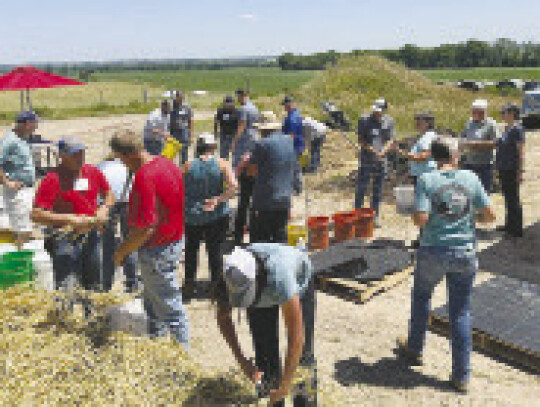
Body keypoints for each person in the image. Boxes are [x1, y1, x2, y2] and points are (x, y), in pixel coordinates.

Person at [396, 136, 496, 393]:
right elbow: (490, 217)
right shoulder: (471, 178)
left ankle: (415, 349)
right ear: (455, 156)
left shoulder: (427, 180)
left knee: (421, 298)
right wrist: (468, 218)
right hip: (464, 252)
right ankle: (461, 376)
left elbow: (420, 220)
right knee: (460, 312)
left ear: (433, 157)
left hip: (433, 251)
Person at [110, 130, 189, 350]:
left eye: (120, 159)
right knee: (155, 302)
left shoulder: (145, 176)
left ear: (129, 154)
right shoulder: (167, 164)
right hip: (173, 241)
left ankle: (182, 362)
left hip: (157, 249)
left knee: (170, 310)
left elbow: (145, 227)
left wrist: (121, 252)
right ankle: (158, 347)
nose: (122, 165)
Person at [216, 243, 317, 406]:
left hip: (296, 281)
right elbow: (223, 318)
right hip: (263, 289)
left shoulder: (281, 277)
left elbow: (296, 338)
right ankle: (271, 399)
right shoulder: (231, 274)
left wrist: (285, 386)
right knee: (264, 353)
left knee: (302, 362)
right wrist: (242, 360)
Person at [31, 138, 114, 291]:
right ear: (61, 156)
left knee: (94, 277)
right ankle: (66, 312)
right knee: (66, 282)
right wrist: (69, 219)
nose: (79, 157)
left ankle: (93, 313)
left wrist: (104, 208)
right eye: (74, 154)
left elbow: (109, 194)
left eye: (81, 153)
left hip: (90, 234)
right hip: (64, 237)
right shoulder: (52, 179)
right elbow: (36, 214)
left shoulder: (92, 172)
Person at [183, 133, 238, 301]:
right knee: (214, 250)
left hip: (192, 215)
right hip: (216, 214)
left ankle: (189, 284)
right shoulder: (222, 163)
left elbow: (177, 186)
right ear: (213, 147)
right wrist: (219, 199)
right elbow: (234, 186)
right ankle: (216, 286)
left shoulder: (188, 165)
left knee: (191, 250)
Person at [236, 125, 296, 244]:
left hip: (265, 199)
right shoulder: (289, 141)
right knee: (280, 235)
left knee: (260, 238)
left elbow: (251, 172)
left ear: (262, 130)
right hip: (284, 197)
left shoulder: (262, 144)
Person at [97, 155, 138, 292]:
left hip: (108, 203)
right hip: (128, 201)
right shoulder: (127, 166)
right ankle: (132, 282)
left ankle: (106, 283)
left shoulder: (101, 166)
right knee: (130, 242)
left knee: (107, 244)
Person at [0, 111, 39, 249]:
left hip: (27, 189)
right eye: (35, 123)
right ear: (27, 124)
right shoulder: (9, 141)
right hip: (17, 192)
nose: (36, 126)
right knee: (23, 229)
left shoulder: (23, 138)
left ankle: (21, 252)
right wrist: (7, 182)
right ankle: (18, 256)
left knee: (28, 226)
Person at [355, 102, 396, 225]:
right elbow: (360, 140)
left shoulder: (389, 121)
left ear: (384, 110)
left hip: (381, 160)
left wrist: (383, 152)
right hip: (367, 159)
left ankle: (375, 215)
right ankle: (357, 213)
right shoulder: (364, 120)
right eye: (375, 110)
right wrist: (372, 150)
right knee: (362, 187)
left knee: (378, 189)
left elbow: (390, 139)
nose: (376, 113)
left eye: (379, 111)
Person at [232, 88, 260, 245]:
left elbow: (241, 126)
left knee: (244, 200)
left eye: (239, 96)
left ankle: (238, 236)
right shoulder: (254, 107)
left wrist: (235, 142)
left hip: (245, 145)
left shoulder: (244, 109)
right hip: (254, 142)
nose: (238, 98)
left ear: (243, 96)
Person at [496, 103, 525, 238]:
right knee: (507, 197)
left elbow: (521, 152)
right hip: (504, 168)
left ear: (513, 114)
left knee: (513, 198)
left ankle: (517, 229)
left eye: (505, 112)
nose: (503, 115)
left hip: (512, 169)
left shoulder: (517, 130)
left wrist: (520, 171)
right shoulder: (507, 128)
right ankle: (509, 224)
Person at [460, 99, 498, 193]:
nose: (476, 114)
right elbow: (462, 136)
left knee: (484, 192)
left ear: (485, 112)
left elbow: (496, 142)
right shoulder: (469, 123)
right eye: (474, 112)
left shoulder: (491, 124)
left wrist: (476, 144)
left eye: (479, 112)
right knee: (468, 191)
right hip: (469, 162)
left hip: (485, 164)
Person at [395, 111, 438, 186]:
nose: (417, 123)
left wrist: (402, 152)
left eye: (420, 120)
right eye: (417, 120)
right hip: (423, 174)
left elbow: (422, 157)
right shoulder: (426, 136)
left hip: (424, 174)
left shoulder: (427, 137)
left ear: (428, 123)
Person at [282, 96, 304, 194]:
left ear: (289, 104)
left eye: (285, 105)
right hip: (297, 144)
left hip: (293, 145)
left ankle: (296, 188)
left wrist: (285, 146)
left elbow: (291, 134)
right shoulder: (296, 114)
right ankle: (297, 187)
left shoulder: (292, 117)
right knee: (295, 167)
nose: (284, 108)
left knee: (293, 167)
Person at [169, 91, 194, 165]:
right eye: (178, 98)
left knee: (184, 153)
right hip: (174, 132)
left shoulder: (187, 107)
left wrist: (191, 135)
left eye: (181, 98)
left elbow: (191, 120)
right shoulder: (171, 107)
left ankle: (183, 169)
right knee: (171, 153)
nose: (180, 100)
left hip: (184, 131)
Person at [214, 95, 240, 159]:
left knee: (235, 153)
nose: (229, 106)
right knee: (223, 153)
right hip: (224, 134)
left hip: (234, 134)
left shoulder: (237, 112)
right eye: (227, 104)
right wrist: (215, 133)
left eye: (230, 104)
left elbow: (240, 124)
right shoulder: (220, 111)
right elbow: (216, 122)